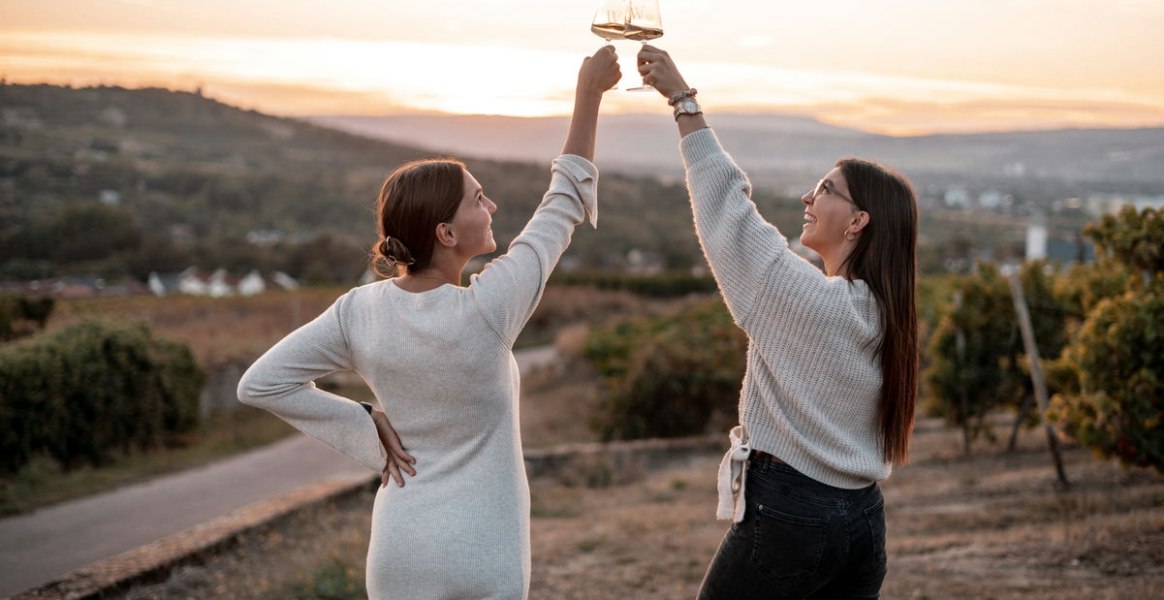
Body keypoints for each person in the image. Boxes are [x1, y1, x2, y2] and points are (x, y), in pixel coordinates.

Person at [237, 46, 621, 599]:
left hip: (400, 551)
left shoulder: (358, 310)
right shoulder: (490, 308)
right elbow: (563, 201)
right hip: (484, 553)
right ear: (446, 233)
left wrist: (365, 423)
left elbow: (260, 385)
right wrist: (589, 95)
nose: (491, 208)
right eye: (478, 199)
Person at [635, 45, 919, 599]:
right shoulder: (886, 311)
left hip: (792, 516)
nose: (808, 196)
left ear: (859, 222)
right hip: (862, 519)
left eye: (827, 190)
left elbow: (729, 213)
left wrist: (682, 99)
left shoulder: (813, 302)